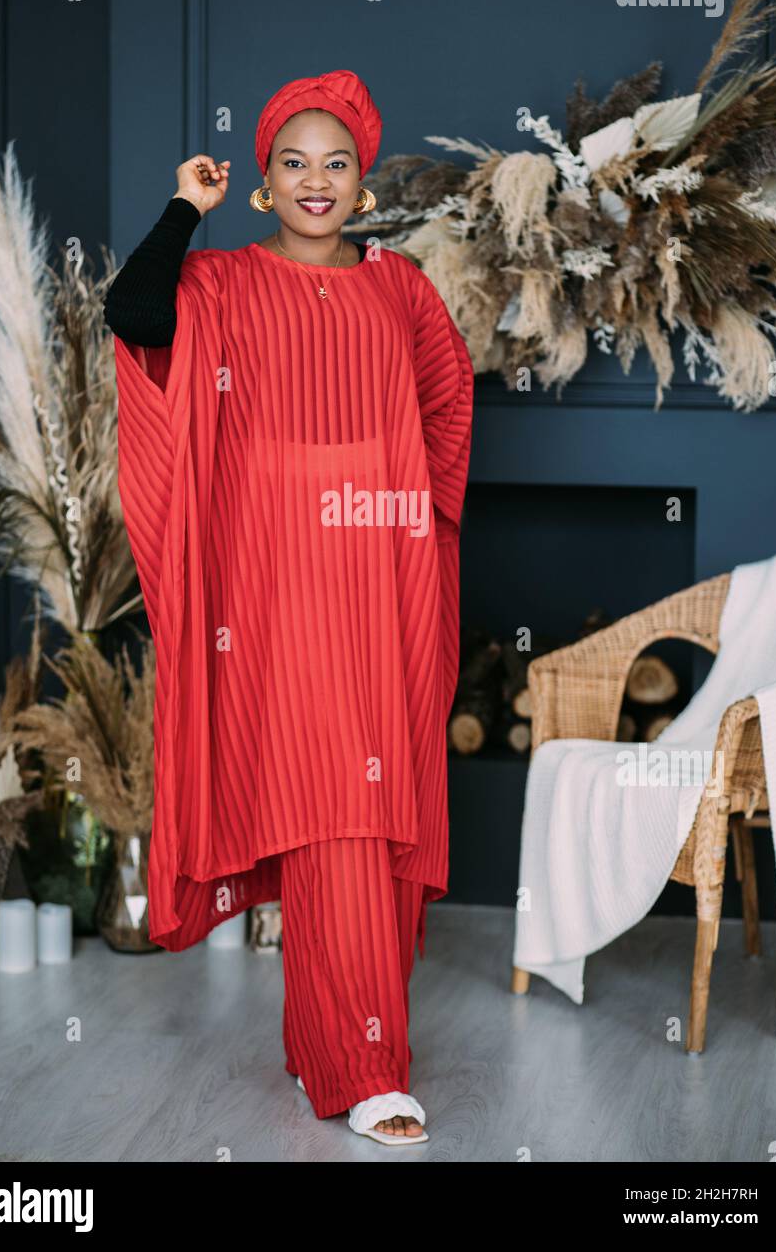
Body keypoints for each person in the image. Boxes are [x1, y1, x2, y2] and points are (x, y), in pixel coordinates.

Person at [105, 69, 474, 1146]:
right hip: (270, 595)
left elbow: (444, 410)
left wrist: (406, 516)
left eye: (338, 163)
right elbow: (132, 315)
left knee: (371, 814)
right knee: (333, 809)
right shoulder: (217, 281)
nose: (317, 180)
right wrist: (184, 207)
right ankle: (368, 1069)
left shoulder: (403, 290)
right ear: (262, 183)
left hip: (378, 582)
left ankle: (333, 1042)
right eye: (293, 162)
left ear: (363, 187)